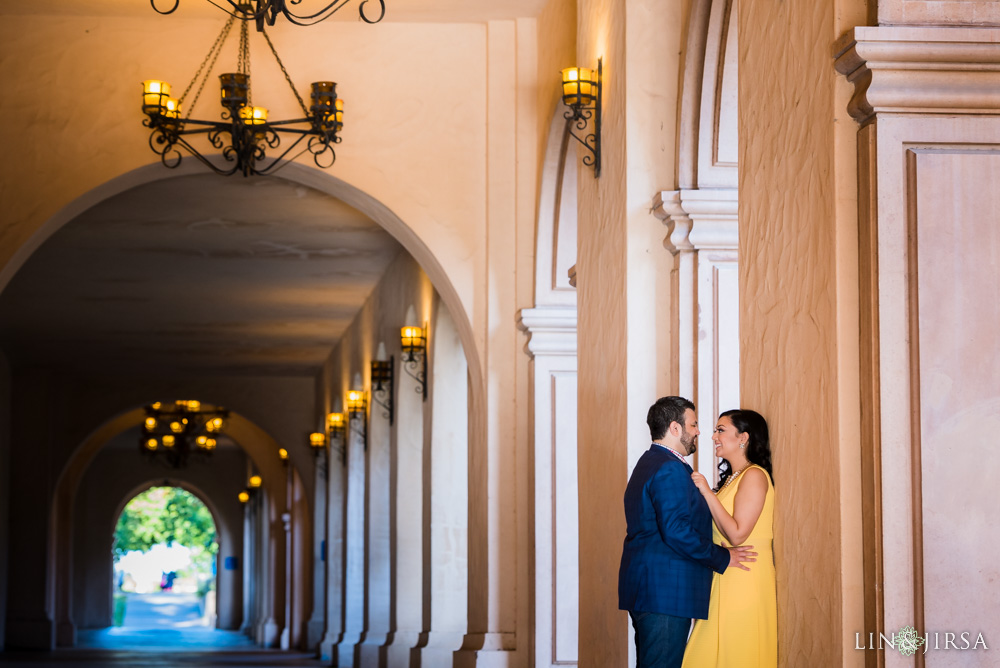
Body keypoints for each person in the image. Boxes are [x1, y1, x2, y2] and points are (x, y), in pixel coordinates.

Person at [619, 396, 757, 668]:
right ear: (674, 428)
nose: (698, 431)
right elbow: (676, 530)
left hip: (652, 589)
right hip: (665, 593)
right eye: (693, 425)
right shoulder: (669, 467)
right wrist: (723, 557)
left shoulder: (649, 462)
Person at [682, 409, 777, 668]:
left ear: (743, 437)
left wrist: (706, 491)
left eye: (721, 430)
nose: (713, 436)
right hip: (725, 574)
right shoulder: (731, 480)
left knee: (736, 654)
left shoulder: (755, 475)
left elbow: (737, 534)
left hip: (745, 577)